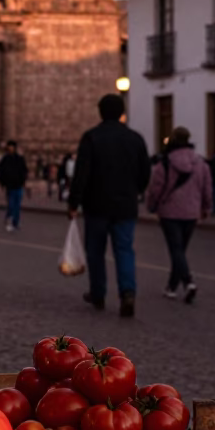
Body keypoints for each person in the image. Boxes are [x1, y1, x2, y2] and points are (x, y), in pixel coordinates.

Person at [67, 93, 151, 318]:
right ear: (122, 112)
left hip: (96, 206)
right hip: (126, 206)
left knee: (96, 251)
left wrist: (74, 202)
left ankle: (98, 293)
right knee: (124, 250)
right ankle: (127, 292)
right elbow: (145, 172)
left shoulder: (92, 137)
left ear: (100, 112)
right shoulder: (135, 139)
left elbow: (81, 174)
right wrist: (135, 191)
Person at [146, 127, 212, 304]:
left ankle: (188, 282)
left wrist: (151, 206)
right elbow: (207, 189)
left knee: (176, 249)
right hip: (192, 212)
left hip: (169, 211)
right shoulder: (200, 163)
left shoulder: (165, 163)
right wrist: (206, 207)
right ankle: (171, 287)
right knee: (180, 250)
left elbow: (155, 188)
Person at [0, 140, 28, 232]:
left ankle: (15, 221)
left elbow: (24, 170)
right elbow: (0, 171)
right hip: (10, 186)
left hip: (18, 185)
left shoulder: (19, 159)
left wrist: (23, 181)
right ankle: (9, 220)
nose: (10, 148)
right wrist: (2, 183)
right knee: (11, 205)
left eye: (12, 146)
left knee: (17, 205)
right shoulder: (5, 159)